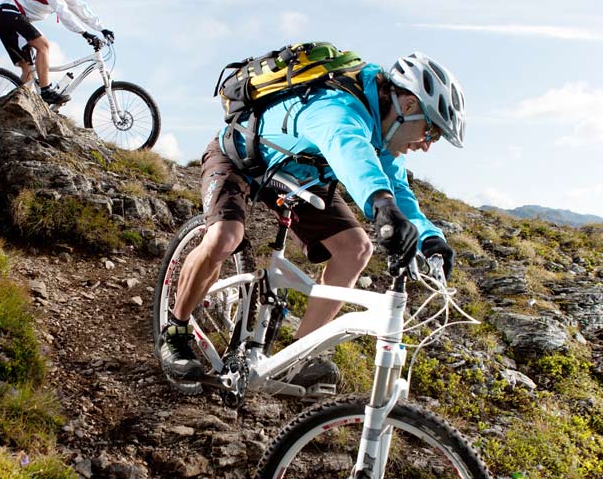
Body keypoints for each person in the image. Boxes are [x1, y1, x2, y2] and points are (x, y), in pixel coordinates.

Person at [160, 51, 463, 385]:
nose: (427, 145)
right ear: (407, 106)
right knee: (223, 237)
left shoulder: (383, 131)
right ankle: (174, 329)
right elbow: (349, 152)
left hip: (299, 176)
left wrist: (430, 237)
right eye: (431, 131)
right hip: (240, 158)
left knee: (355, 250)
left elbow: (399, 190)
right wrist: (379, 205)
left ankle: (297, 357)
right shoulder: (336, 107)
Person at [0, 0, 115, 105]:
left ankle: (10, 107)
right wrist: (85, 33)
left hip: (15, 18)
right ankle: (46, 91)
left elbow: (82, 10)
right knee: (43, 46)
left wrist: (103, 29)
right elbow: (63, 12)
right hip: (8, 13)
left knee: (28, 73)